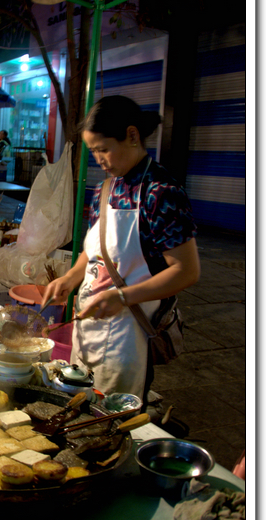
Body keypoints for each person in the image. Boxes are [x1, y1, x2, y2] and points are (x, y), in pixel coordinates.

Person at [42, 95, 200, 405]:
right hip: (87, 327)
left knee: (109, 417)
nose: (98, 159)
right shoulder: (106, 188)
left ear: (132, 135)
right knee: (74, 403)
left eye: (103, 149)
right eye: (93, 151)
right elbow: (96, 249)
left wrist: (122, 297)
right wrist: (71, 278)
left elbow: (187, 271)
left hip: (128, 334)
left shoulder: (162, 192)